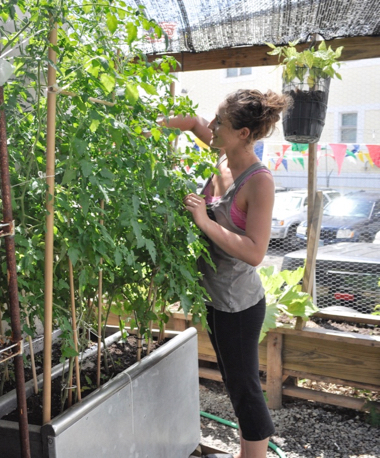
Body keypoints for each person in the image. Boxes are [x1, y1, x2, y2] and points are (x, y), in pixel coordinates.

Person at [160, 89, 290, 458]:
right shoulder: (223, 154)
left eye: (221, 122)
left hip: (238, 305)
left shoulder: (258, 182)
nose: (212, 127)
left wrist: (203, 219)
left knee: (244, 386)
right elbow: (191, 123)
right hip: (216, 298)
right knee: (234, 382)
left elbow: (254, 252)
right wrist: (146, 127)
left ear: (244, 134)